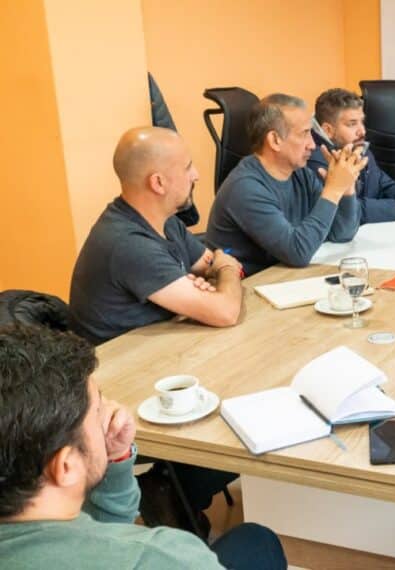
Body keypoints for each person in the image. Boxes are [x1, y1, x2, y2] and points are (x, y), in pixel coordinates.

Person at [68, 126, 243, 537]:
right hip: (123, 388)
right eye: (187, 167)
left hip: (161, 362)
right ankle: (164, 489)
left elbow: (209, 266)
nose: (197, 174)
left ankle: (178, 493)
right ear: (158, 182)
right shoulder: (128, 241)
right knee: (236, 420)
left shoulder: (163, 223)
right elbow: (224, 308)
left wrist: (214, 276)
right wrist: (227, 273)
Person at [0, 324, 287, 570]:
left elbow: (98, 538)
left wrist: (115, 458)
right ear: (65, 466)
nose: (110, 411)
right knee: (258, 543)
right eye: (98, 409)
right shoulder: (160, 557)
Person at [207, 93, 365, 275]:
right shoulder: (245, 188)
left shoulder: (300, 174)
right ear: (275, 140)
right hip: (245, 289)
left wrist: (346, 187)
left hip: (282, 279)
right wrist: (333, 189)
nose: (312, 145)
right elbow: (297, 253)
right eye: (305, 134)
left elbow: (342, 233)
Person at [307, 88, 395, 223]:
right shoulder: (314, 160)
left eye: (362, 122)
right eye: (352, 124)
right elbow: (349, 210)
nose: (362, 131)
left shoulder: (356, 146)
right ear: (328, 130)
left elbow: (382, 183)